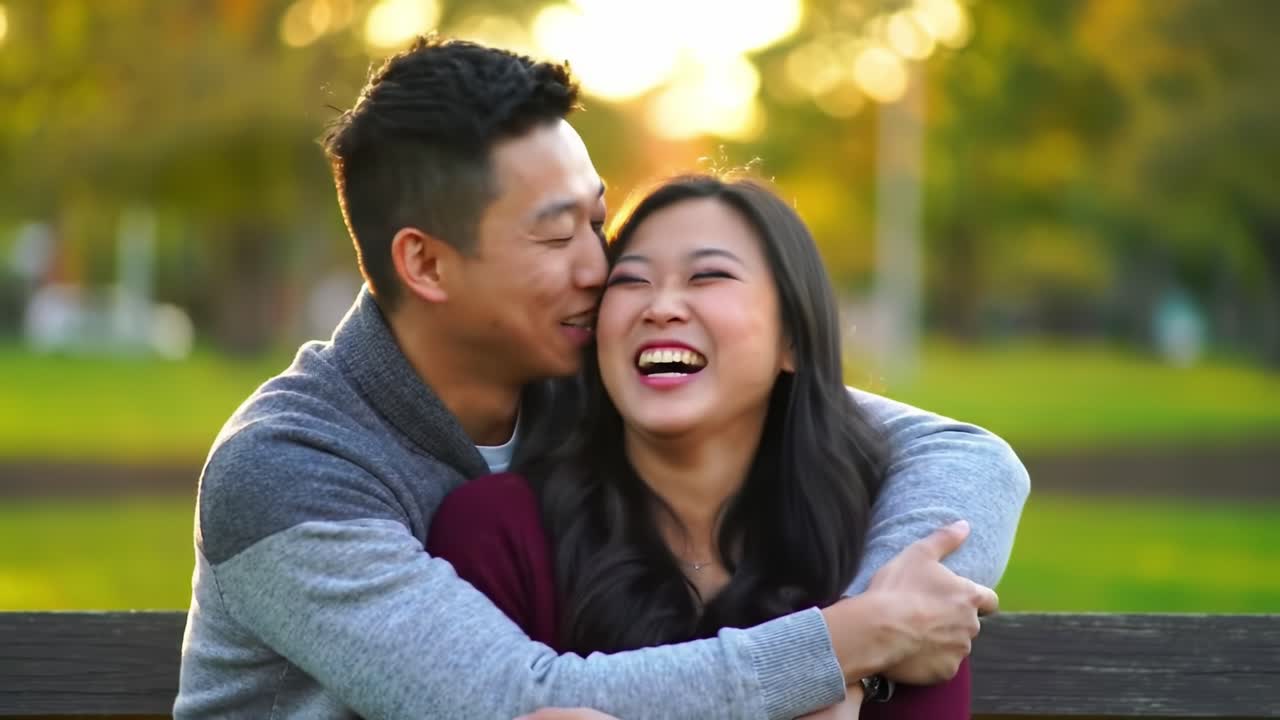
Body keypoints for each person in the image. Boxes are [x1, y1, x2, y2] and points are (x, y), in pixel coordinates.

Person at [175, 36, 1028, 719]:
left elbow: (966, 455)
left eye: (598, 219)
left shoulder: (583, 367)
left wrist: (883, 614)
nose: (602, 268)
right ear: (426, 264)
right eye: (557, 237)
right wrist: (843, 645)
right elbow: (526, 702)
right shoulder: (289, 471)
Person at [427, 174, 980, 719]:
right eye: (631, 280)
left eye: (708, 276)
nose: (661, 306)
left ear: (792, 338)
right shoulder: (495, 532)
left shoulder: (884, 549)